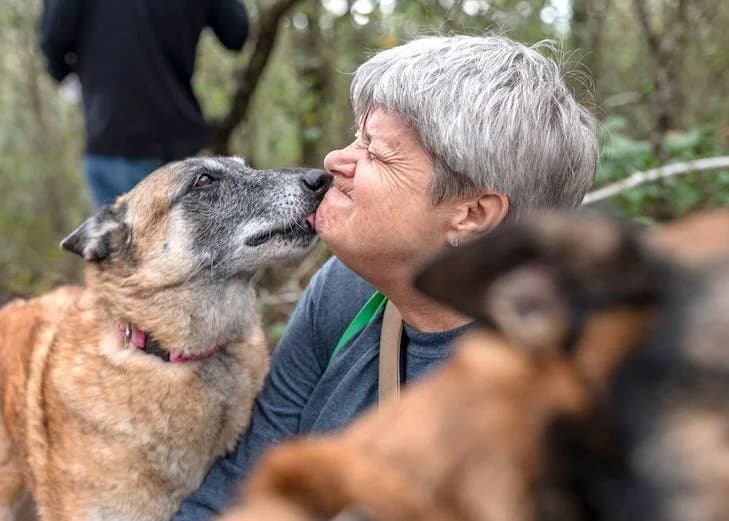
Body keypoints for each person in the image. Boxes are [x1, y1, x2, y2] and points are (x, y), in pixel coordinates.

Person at [173, 34, 598, 520]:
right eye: (358, 136)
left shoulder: (562, 403)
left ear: (473, 213)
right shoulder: (347, 289)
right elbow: (242, 485)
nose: (335, 160)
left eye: (375, 152)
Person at [39, 0, 249, 208]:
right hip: (177, 140)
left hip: (111, 137)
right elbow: (237, 32)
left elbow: (52, 40)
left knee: (125, 240)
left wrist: (69, 78)